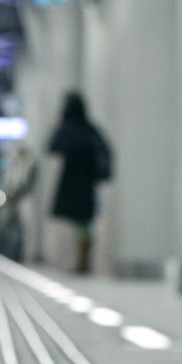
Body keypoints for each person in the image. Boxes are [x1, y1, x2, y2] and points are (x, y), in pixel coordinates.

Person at [48, 92, 112, 274]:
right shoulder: (90, 129)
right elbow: (106, 150)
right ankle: (83, 259)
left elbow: (52, 146)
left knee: (71, 222)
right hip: (86, 182)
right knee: (84, 223)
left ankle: (74, 260)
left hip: (70, 180)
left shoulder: (65, 128)